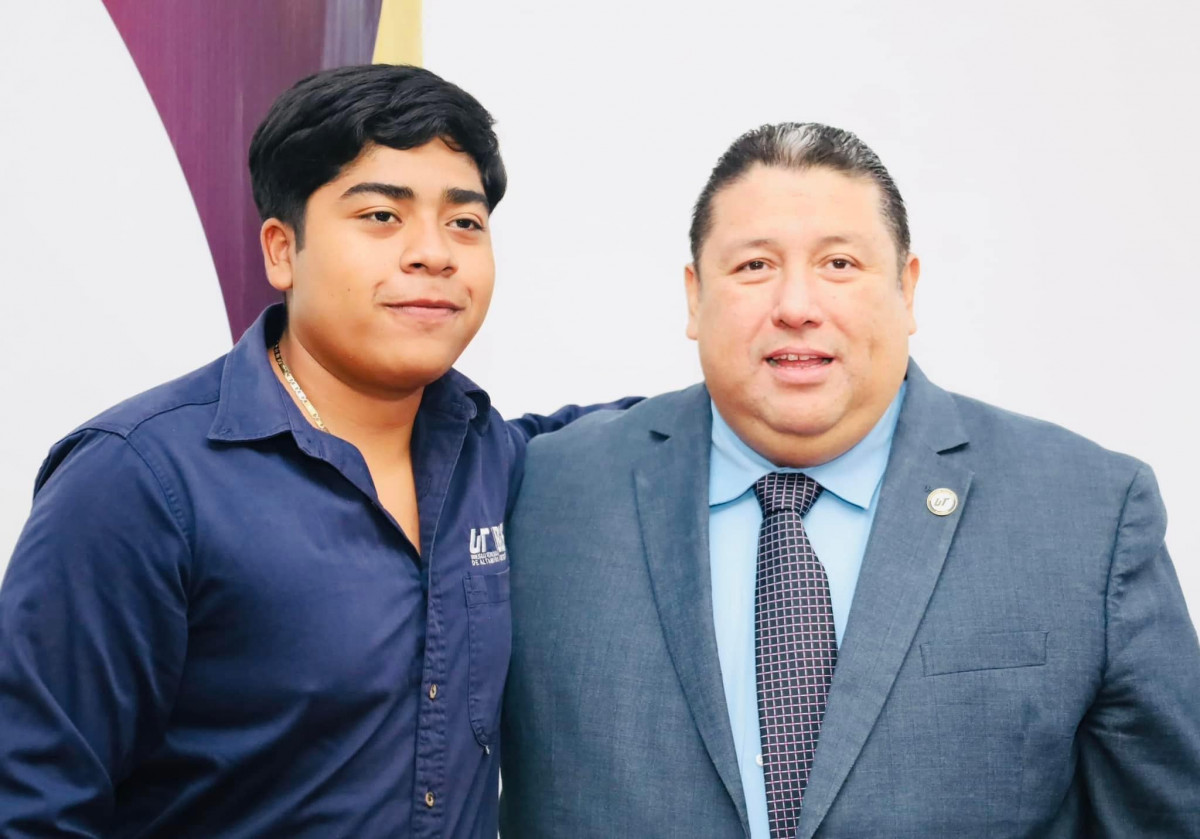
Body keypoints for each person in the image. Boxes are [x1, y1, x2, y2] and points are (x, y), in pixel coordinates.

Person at [499, 122, 1200, 838]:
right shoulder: (542, 494)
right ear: (693, 296)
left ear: (907, 288)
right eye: (754, 266)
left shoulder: (1088, 512)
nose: (797, 306)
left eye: (839, 263)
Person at [0, 64, 630, 838]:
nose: (433, 253)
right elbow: (32, 803)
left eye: (464, 223)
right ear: (281, 250)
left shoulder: (493, 457)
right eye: (381, 215)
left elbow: (650, 433)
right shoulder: (138, 480)